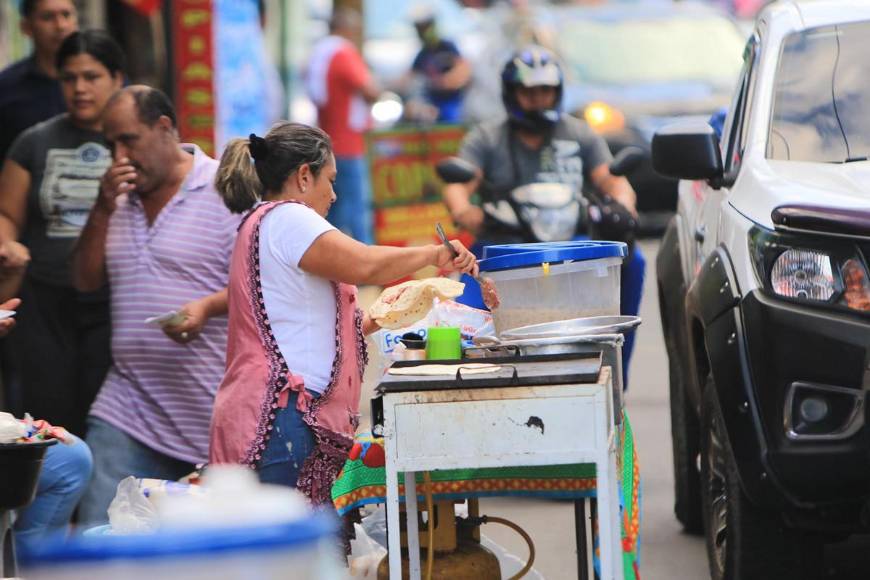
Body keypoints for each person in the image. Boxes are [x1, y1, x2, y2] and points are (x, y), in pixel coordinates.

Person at [209, 123, 477, 504]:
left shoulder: (266, 223)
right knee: (292, 558)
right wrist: (435, 254)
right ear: (304, 176)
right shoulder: (288, 217)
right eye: (330, 181)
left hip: (277, 419)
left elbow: (307, 326)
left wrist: (386, 313)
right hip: (281, 420)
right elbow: (364, 263)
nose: (334, 195)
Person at [72, 86, 241, 524]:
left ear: (164, 128)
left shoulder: (226, 190)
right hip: (128, 409)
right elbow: (84, 281)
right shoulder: (117, 200)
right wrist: (102, 208)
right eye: (112, 144)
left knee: (201, 553)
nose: (119, 156)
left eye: (129, 140)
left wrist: (206, 306)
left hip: (209, 417)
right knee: (101, 533)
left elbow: (263, 283)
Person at [441, 46, 645, 377]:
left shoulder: (579, 133)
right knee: (462, 303)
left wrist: (626, 206)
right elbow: (459, 183)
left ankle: (616, 364)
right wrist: (464, 211)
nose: (539, 99)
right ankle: (470, 378)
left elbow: (612, 178)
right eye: (529, 92)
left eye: (546, 91)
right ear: (512, 94)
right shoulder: (487, 137)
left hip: (572, 241)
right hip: (503, 244)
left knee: (632, 260)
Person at [0, 30, 126, 436]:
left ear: (116, 79)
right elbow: (7, 213)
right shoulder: (34, 142)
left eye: (92, 77)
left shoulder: (133, 142)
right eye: (70, 78)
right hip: (44, 303)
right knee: (46, 416)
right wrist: (8, 245)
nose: (80, 88)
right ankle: (55, 494)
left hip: (113, 303)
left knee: (105, 417)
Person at [304, 8, 380, 245]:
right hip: (349, 144)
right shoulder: (343, 53)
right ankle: (368, 267)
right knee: (358, 211)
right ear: (349, 29)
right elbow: (371, 90)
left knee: (331, 209)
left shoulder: (319, 53)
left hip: (328, 141)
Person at [0, 0, 78, 161]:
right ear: (26, 27)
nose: (61, 25)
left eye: (66, 15)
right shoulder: (6, 87)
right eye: (48, 17)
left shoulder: (105, 80)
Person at [407, 9, 471, 124]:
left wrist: (443, 82)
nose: (422, 33)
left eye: (424, 27)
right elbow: (410, 78)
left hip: (452, 106)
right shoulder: (422, 54)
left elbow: (464, 72)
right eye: (419, 29)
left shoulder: (448, 47)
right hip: (431, 106)